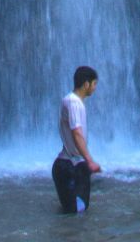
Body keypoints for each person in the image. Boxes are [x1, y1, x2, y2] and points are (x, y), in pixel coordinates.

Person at [52, 66, 102, 214]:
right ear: (86, 84)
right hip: (69, 166)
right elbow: (77, 133)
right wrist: (90, 161)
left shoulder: (74, 102)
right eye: (94, 84)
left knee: (78, 211)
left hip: (75, 164)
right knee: (76, 212)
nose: (95, 88)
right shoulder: (73, 102)